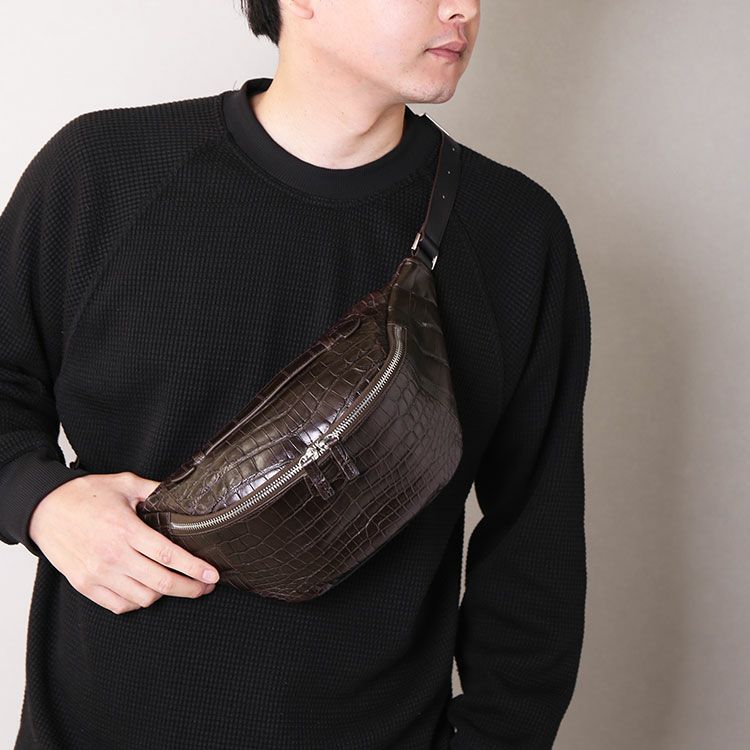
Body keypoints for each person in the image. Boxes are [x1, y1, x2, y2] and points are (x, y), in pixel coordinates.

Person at [0, 1, 592, 748]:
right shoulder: (104, 171)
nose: (463, 9)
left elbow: (536, 541)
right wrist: (39, 500)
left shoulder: (515, 233)